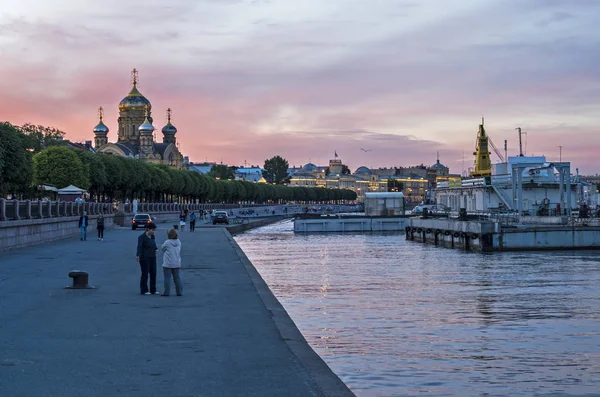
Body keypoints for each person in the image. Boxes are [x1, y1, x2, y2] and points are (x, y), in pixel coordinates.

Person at [136, 223, 159, 295]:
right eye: (152, 230)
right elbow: (139, 247)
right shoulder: (141, 237)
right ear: (148, 229)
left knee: (153, 273)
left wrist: (156, 249)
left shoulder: (152, 237)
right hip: (144, 257)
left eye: (154, 230)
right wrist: (138, 255)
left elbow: (154, 244)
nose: (153, 231)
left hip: (152, 257)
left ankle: (153, 289)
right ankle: (144, 290)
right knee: (145, 273)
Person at [161, 228, 183, 296]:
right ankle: (179, 292)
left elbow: (162, 248)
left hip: (168, 263)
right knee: (177, 277)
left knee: (167, 278)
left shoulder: (167, 242)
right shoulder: (179, 242)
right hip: (176, 262)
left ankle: (166, 292)